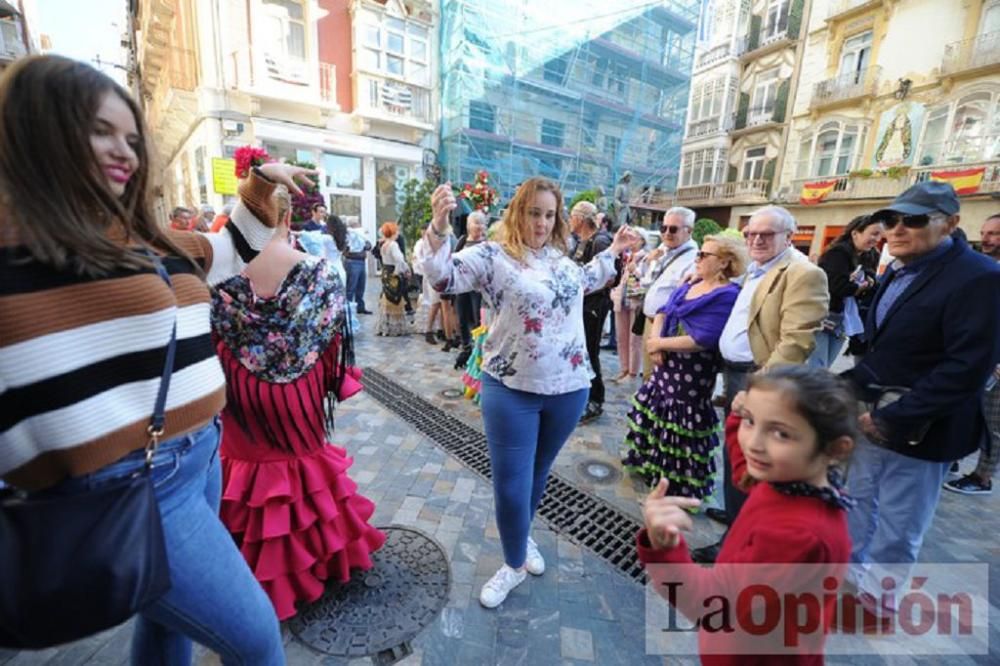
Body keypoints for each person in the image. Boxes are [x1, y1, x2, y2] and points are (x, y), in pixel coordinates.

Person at [0, 55, 306, 664]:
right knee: (258, 640)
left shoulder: (138, 237)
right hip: (128, 482)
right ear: (40, 129)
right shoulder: (16, 248)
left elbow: (227, 252)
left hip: (196, 460)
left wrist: (260, 183)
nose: (125, 152)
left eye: (132, 138)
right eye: (100, 131)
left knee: (171, 628)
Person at [417, 177, 640, 609]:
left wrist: (614, 253)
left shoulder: (562, 260)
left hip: (570, 387)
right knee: (510, 485)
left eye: (549, 214)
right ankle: (514, 562)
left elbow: (587, 279)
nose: (540, 222)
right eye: (533, 212)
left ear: (558, 219)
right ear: (518, 212)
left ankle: (521, 538)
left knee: (537, 476)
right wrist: (439, 225)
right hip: (511, 389)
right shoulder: (492, 255)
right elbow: (443, 278)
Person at [212, 186, 385, 621]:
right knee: (304, 465)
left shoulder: (216, 276)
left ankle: (255, 576)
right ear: (288, 220)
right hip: (299, 395)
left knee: (246, 473)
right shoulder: (320, 273)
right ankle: (320, 562)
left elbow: (208, 342)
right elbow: (332, 349)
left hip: (239, 391)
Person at [842, 183, 1000, 609]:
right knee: (856, 503)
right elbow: (889, 349)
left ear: (950, 223)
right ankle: (850, 583)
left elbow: (966, 368)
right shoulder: (897, 268)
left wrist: (895, 417)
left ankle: (878, 602)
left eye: (913, 220)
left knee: (899, 523)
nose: (896, 229)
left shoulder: (981, 278)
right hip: (871, 417)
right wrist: (845, 391)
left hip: (922, 429)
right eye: (891, 220)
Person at [638, 366, 855, 665]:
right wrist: (738, 417)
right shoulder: (793, 481)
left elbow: (710, 605)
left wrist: (665, 550)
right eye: (752, 422)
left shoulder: (798, 534)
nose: (754, 443)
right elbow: (745, 473)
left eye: (780, 433)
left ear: (835, 449)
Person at [696, 205, 829, 564]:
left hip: (761, 379)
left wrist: (758, 390)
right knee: (736, 455)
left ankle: (739, 541)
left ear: (790, 236)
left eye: (766, 234)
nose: (756, 239)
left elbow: (796, 342)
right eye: (751, 232)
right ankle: (737, 512)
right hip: (737, 372)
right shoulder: (759, 267)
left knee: (750, 456)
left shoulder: (803, 272)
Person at [622, 235, 746, 497]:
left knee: (681, 424)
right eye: (698, 253)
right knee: (658, 415)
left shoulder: (726, 295)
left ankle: (676, 485)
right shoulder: (694, 282)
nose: (697, 258)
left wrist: (660, 344)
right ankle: (651, 468)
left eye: (704, 255)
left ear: (724, 262)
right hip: (666, 364)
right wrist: (656, 342)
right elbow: (663, 310)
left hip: (691, 374)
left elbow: (702, 339)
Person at [944, 213, 1000, 495]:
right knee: (964, 408)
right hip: (977, 356)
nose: (986, 238)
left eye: (994, 234)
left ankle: (982, 477)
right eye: (984, 232)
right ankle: (951, 457)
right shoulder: (983, 266)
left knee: (993, 422)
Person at [807, 215, 884, 369]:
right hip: (823, 315)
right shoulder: (838, 253)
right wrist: (858, 287)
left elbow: (872, 282)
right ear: (855, 233)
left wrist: (866, 284)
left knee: (826, 364)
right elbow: (837, 286)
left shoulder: (871, 254)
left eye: (880, 235)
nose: (877, 239)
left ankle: (815, 392)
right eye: (874, 234)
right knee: (818, 366)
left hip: (846, 318)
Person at [636, 207, 699, 381]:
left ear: (689, 231)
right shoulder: (663, 250)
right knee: (648, 376)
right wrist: (650, 261)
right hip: (650, 321)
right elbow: (646, 279)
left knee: (660, 379)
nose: (667, 233)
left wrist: (660, 336)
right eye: (664, 228)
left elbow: (683, 298)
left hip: (667, 327)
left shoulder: (693, 259)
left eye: (673, 229)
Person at [569, 201, 614, 423]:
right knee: (582, 350)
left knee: (591, 351)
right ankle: (583, 394)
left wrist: (585, 286)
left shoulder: (600, 241)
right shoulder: (580, 241)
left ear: (580, 219)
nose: (569, 220)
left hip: (594, 306)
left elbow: (609, 277)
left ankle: (596, 399)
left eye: (571, 216)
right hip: (582, 305)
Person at [609, 229, 648, 382]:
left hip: (636, 299)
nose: (631, 240)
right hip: (622, 298)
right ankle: (623, 369)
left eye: (635, 238)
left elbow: (647, 277)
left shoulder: (645, 257)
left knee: (634, 339)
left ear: (642, 240)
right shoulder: (627, 255)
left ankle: (632, 373)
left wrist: (636, 271)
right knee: (621, 336)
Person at [454, 211, 488, 368]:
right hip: (462, 285)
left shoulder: (486, 244)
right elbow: (453, 260)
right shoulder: (462, 241)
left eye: (481, 223)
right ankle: (466, 347)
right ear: (469, 226)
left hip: (477, 288)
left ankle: (478, 351)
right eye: (476, 223)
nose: (479, 226)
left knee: (477, 318)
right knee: (462, 316)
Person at [375, 222, 412, 336]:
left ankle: (385, 326)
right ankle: (395, 328)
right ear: (393, 232)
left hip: (386, 272)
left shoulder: (384, 245)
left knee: (387, 298)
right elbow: (399, 260)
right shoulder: (393, 245)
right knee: (395, 299)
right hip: (393, 274)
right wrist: (404, 270)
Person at [344, 216, 372, 314]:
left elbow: (368, 245)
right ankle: (348, 308)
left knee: (361, 286)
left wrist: (366, 244)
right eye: (357, 223)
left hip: (361, 261)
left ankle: (360, 307)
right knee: (351, 286)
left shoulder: (360, 233)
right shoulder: (348, 234)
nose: (359, 224)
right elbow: (345, 248)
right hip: (352, 261)